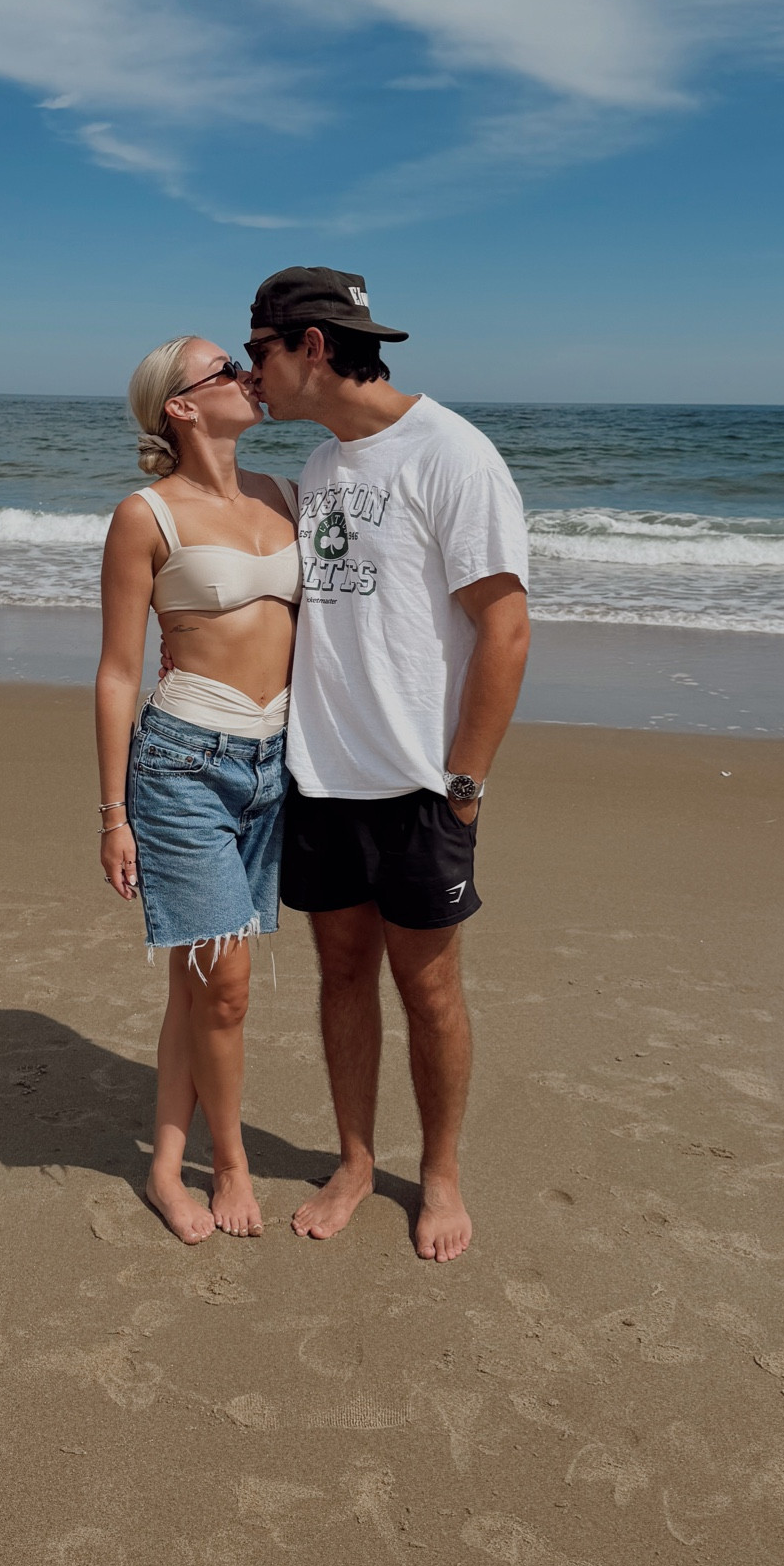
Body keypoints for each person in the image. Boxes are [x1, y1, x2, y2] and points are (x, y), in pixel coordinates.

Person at [244, 267, 530, 1262]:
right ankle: (357, 1159)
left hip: (420, 787)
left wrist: (464, 781)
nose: (253, 372)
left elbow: (505, 627)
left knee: (431, 989)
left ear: (312, 347)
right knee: (341, 973)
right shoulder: (323, 464)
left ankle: (439, 1171)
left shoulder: (452, 454)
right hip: (319, 777)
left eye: (260, 350)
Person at [95, 336, 301, 1244]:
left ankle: (162, 1167)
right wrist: (113, 815)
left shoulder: (284, 494)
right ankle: (233, 1165)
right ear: (180, 406)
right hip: (184, 764)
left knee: (197, 982)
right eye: (225, 370)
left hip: (277, 762)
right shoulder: (146, 514)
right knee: (227, 987)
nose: (247, 378)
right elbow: (114, 673)